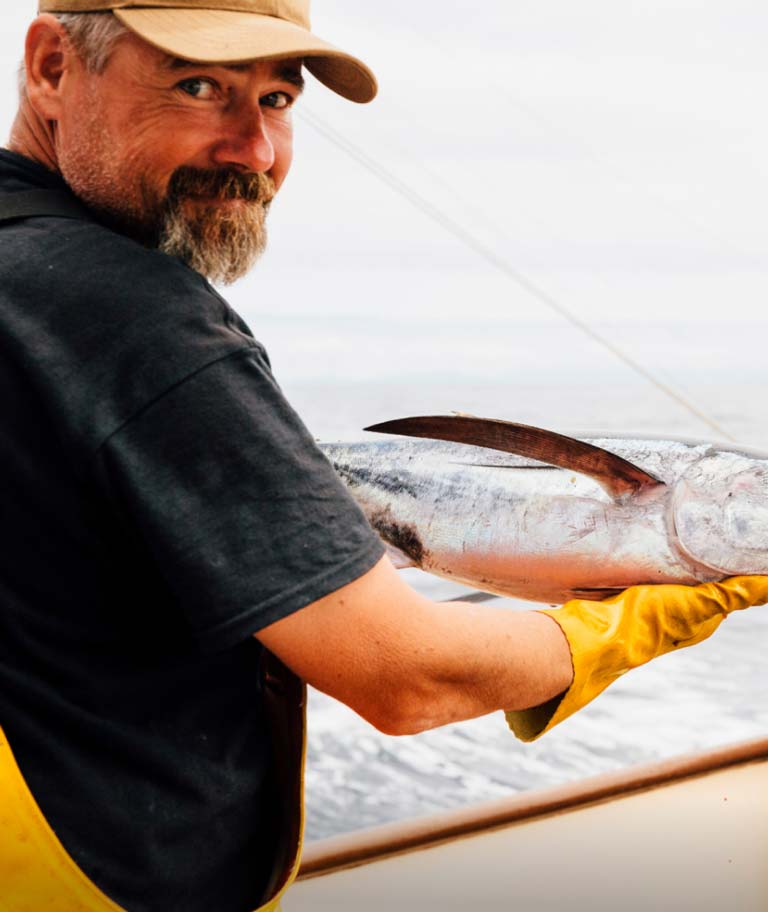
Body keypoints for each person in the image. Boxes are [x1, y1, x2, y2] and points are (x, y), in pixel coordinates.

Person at [0, 2, 765, 910]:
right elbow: (408, 678)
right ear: (51, 65)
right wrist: (636, 620)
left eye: (277, 98)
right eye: (197, 86)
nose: (253, 149)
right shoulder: (137, 318)